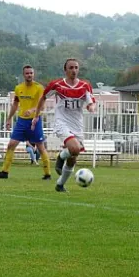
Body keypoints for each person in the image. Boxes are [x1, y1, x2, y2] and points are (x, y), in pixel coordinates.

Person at [31, 58, 96, 192]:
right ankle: (60, 157)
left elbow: (91, 101)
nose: (74, 70)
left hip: (77, 125)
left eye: (76, 68)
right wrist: (36, 116)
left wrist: (91, 107)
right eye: (71, 68)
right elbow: (43, 98)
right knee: (75, 148)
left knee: (73, 158)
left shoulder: (85, 85)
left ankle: (60, 184)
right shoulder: (57, 85)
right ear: (65, 70)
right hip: (62, 122)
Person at [0, 65, 51, 179]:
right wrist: (9, 118)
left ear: (34, 74)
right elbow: (15, 104)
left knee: (40, 146)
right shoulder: (19, 88)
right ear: (23, 75)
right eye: (27, 73)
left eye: (31, 73)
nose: (29, 75)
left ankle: (47, 173)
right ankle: (4, 172)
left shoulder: (39, 88)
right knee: (11, 145)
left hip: (35, 121)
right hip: (21, 121)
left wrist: (32, 110)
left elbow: (42, 105)